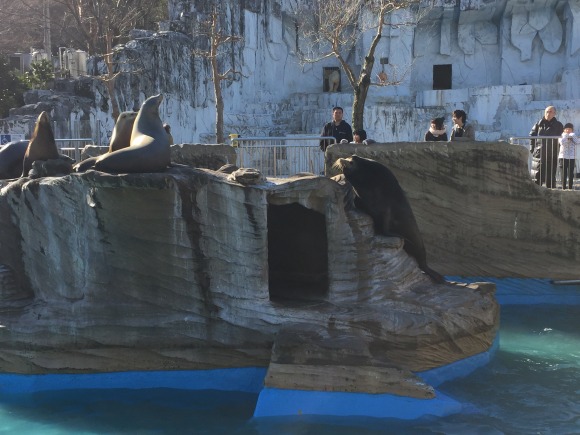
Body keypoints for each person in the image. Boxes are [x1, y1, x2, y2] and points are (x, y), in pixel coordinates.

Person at [529, 106, 564, 188]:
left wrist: (560, 151)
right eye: (547, 111)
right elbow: (532, 135)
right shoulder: (539, 123)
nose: (548, 113)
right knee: (537, 175)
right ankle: (536, 193)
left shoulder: (558, 125)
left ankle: (551, 194)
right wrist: (532, 148)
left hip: (552, 153)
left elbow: (562, 138)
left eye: (551, 112)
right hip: (539, 153)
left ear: (554, 114)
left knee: (551, 175)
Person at [558, 123, 579, 190]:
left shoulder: (573, 136)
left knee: (570, 173)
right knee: (563, 174)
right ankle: (563, 188)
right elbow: (562, 142)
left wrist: (573, 136)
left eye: (570, 129)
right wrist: (567, 136)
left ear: (572, 130)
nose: (568, 130)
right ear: (564, 130)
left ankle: (570, 187)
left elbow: (577, 142)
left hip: (572, 157)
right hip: (562, 157)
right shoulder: (561, 136)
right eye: (566, 129)